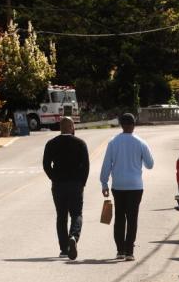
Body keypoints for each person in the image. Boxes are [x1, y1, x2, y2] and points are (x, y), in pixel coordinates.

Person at [100, 112, 154, 261]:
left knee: (119, 217)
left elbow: (106, 165)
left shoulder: (113, 142)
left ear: (121, 125)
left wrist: (104, 183)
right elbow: (150, 165)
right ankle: (130, 251)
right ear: (134, 125)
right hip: (135, 186)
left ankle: (120, 251)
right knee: (132, 218)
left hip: (118, 186)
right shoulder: (141, 142)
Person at [42, 117, 89, 260]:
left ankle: (63, 249)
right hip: (75, 184)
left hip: (58, 185)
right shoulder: (80, 143)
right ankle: (73, 237)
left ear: (60, 128)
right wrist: (82, 182)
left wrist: (53, 177)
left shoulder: (51, 143)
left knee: (61, 216)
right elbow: (86, 166)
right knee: (76, 214)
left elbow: (46, 164)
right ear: (72, 127)